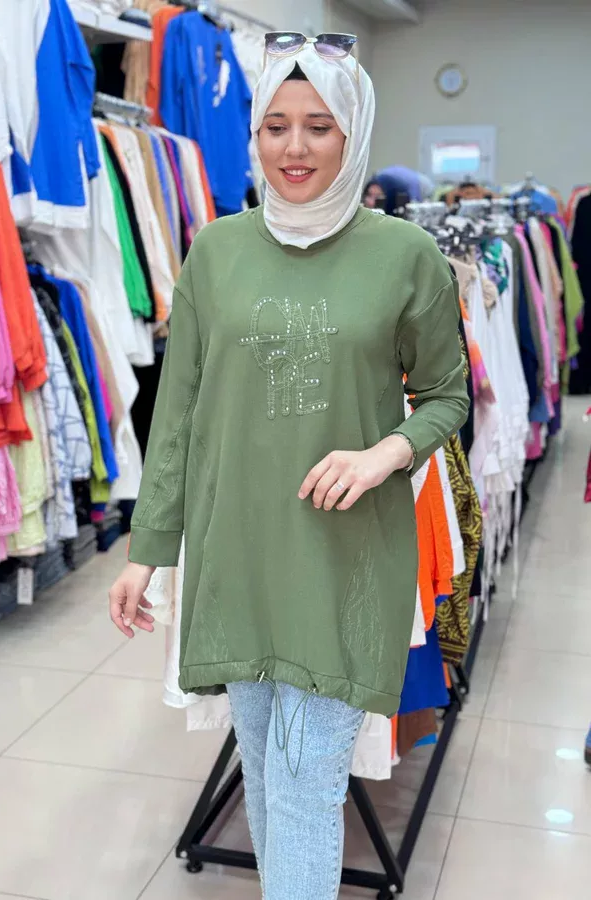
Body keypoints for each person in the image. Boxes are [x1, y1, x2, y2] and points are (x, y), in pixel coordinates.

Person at [109, 33, 469, 900]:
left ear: (353, 131)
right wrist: (146, 551)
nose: (294, 148)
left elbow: (448, 396)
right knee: (269, 777)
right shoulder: (215, 251)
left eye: (319, 126)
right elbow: (178, 414)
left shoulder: (406, 256)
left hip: (345, 558)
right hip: (237, 552)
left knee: (307, 789)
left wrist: (387, 453)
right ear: (254, 134)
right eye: (275, 126)